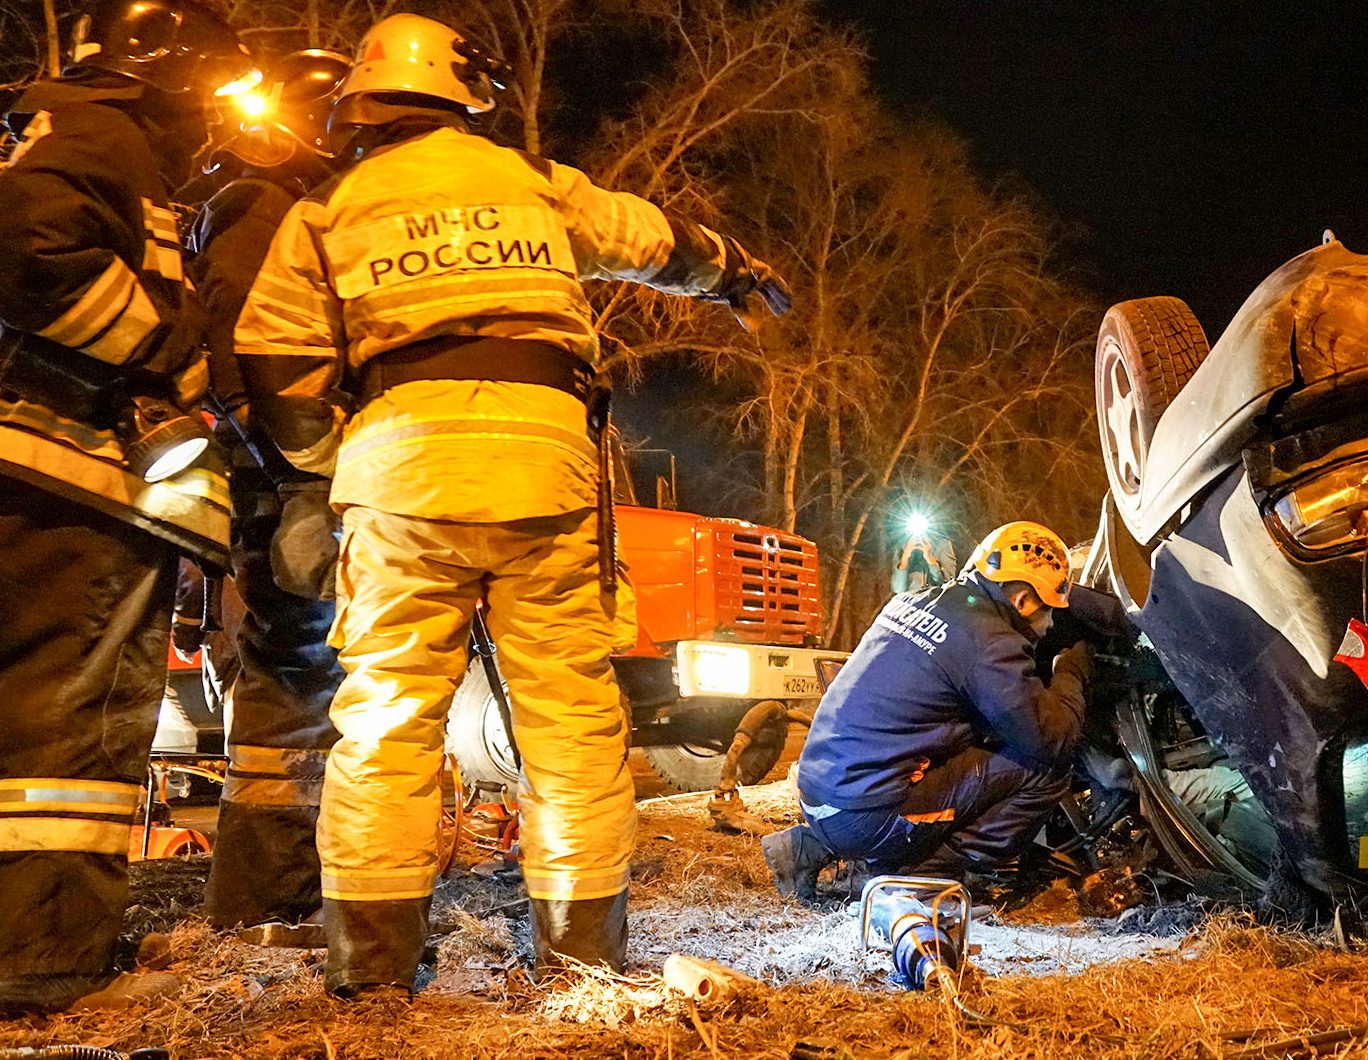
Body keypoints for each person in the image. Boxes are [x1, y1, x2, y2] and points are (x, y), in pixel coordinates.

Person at [232, 13, 790, 998]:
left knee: (387, 723)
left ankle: (370, 970)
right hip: (543, 463)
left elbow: (275, 364)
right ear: (462, 93)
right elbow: (650, 238)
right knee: (570, 724)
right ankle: (580, 957)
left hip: (398, 468)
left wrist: (335, 463)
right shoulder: (530, 185)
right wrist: (734, 268)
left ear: (364, 103)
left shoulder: (326, 210)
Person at [0, 0, 254, 1015]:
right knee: (72, 740)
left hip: (42, 473)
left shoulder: (58, 127)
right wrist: (164, 351)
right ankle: (46, 965)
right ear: (167, 65)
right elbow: (28, 247)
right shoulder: (103, 134)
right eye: (212, 86)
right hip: (74, 481)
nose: (217, 114)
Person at [189, 49, 354, 936]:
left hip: (287, 475)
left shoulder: (254, 202)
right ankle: (271, 897)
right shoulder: (264, 206)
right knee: (296, 675)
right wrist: (301, 481)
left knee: (305, 681)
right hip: (288, 481)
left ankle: (283, 889)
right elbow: (248, 360)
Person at [766, 521, 1095, 903]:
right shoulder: (990, 640)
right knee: (1045, 769)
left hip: (821, 792)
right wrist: (1071, 670)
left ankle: (810, 846)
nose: (1051, 623)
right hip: (861, 812)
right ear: (1022, 600)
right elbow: (1051, 737)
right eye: (1050, 611)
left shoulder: (917, 599)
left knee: (972, 749)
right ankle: (927, 876)